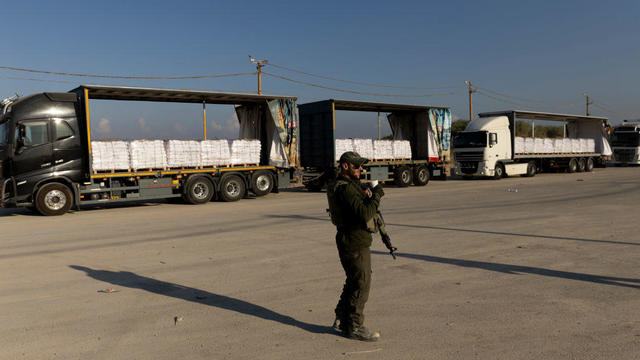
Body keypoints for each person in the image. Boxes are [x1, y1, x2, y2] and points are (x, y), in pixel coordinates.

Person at [326, 151, 384, 341]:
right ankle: (355, 325)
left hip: (349, 238)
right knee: (362, 282)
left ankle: (342, 317)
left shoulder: (344, 185)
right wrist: (376, 195)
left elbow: (355, 207)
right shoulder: (346, 188)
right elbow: (365, 213)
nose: (361, 169)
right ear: (345, 166)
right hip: (354, 241)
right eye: (357, 166)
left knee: (354, 279)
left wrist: (365, 194)